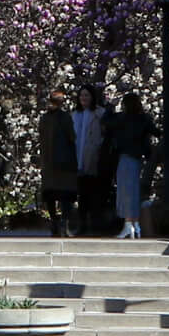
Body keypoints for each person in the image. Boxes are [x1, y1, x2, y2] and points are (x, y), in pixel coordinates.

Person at [109, 91, 157, 238]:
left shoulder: (121, 119)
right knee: (133, 190)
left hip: (126, 156)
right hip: (137, 157)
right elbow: (156, 132)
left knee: (126, 191)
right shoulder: (144, 119)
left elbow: (106, 122)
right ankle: (134, 224)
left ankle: (129, 223)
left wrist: (109, 107)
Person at [38, 91, 81, 236]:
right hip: (65, 162)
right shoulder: (65, 117)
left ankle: (54, 222)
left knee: (51, 194)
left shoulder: (44, 119)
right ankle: (64, 223)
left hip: (49, 162)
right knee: (65, 195)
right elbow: (72, 136)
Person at [72, 84, 110, 233]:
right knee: (82, 195)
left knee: (94, 194)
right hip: (78, 158)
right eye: (81, 95)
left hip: (94, 158)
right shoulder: (75, 114)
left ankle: (95, 225)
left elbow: (105, 135)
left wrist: (98, 147)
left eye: (86, 95)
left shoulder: (100, 113)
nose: (84, 98)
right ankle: (82, 225)